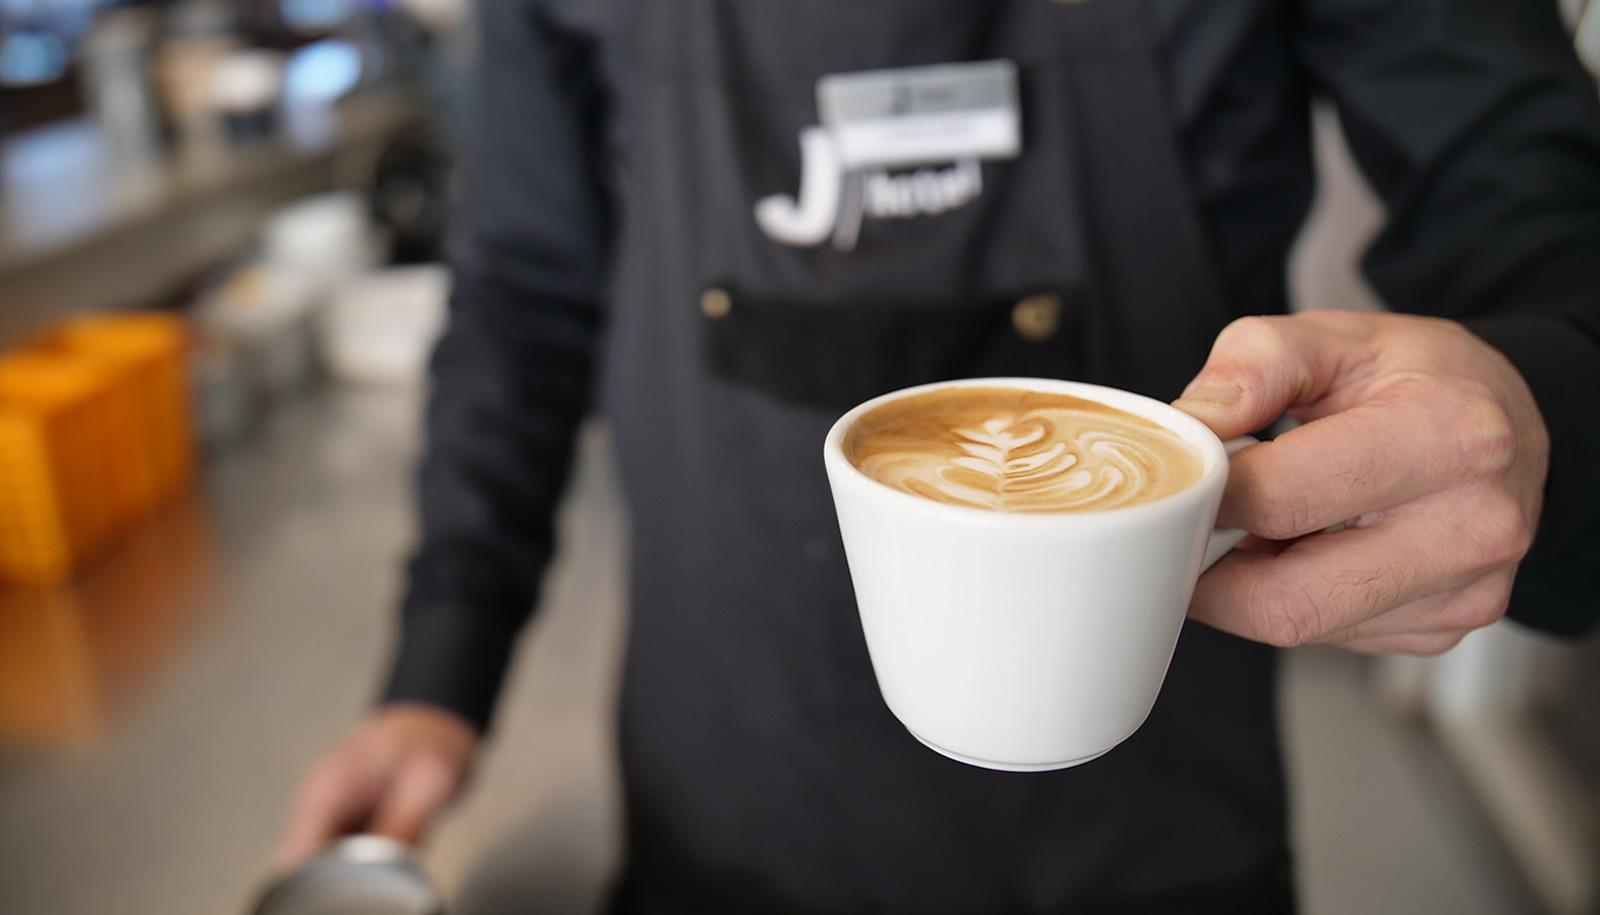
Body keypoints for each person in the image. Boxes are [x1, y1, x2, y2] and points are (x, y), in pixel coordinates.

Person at [277, 1, 1600, 911]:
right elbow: (524, 290)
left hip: (1156, 847)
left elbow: (1542, 217)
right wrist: (440, 667)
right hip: (722, 819)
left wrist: (1539, 407)